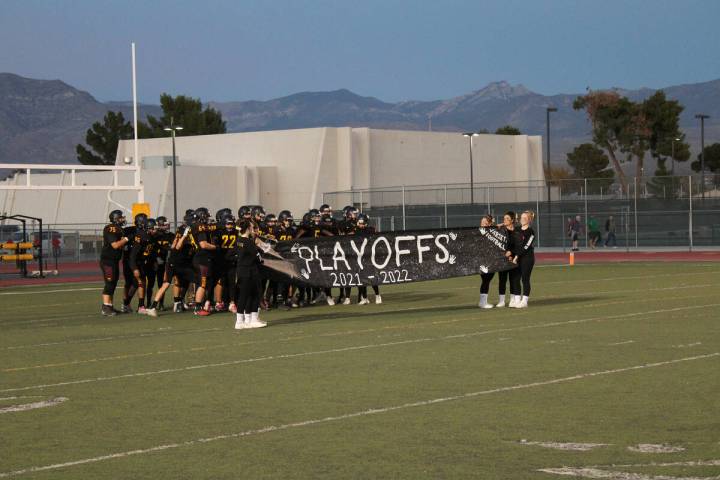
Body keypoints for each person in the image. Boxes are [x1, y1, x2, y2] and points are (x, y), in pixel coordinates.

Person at [234, 220, 266, 329]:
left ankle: (242, 321)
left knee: (244, 296)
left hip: (242, 270)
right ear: (247, 229)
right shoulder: (248, 242)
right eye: (251, 227)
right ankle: (250, 320)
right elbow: (258, 257)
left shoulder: (238, 240)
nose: (253, 229)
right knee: (255, 294)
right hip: (250, 271)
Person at [99, 210, 130, 316]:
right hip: (108, 261)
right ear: (116, 218)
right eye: (121, 217)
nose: (123, 219)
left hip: (114, 261)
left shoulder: (119, 229)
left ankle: (110, 306)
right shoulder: (110, 228)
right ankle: (105, 307)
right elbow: (115, 245)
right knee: (109, 283)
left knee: (113, 282)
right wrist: (126, 239)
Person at [190, 207, 217, 316]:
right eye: (206, 216)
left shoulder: (195, 226)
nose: (207, 219)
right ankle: (197, 307)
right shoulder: (200, 227)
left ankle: (201, 305)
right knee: (203, 283)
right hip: (202, 259)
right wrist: (215, 247)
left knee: (203, 283)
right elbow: (203, 244)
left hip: (200, 258)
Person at [511, 211, 536, 309]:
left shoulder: (531, 232)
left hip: (527, 258)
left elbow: (526, 246)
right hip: (516, 258)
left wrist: (516, 256)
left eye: (525, 218)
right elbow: (512, 242)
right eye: (522, 217)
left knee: (525, 279)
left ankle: (524, 301)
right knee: (515, 279)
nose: (523, 219)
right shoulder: (516, 229)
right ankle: (517, 300)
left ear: (529, 220)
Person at [495, 211, 516, 307]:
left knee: (513, 279)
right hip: (502, 259)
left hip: (513, 258)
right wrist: (498, 225)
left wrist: (511, 252)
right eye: (504, 219)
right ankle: (501, 301)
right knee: (502, 280)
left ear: (512, 220)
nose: (505, 220)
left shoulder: (517, 230)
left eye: (507, 219)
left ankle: (512, 300)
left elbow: (519, 244)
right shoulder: (501, 230)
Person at [478, 214, 496, 309]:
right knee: (485, 280)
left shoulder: (494, 232)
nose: (482, 224)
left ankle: (483, 301)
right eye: (481, 223)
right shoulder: (479, 232)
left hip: (491, 260)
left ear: (489, 224)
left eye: (484, 223)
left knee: (486, 281)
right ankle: (483, 302)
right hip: (484, 261)